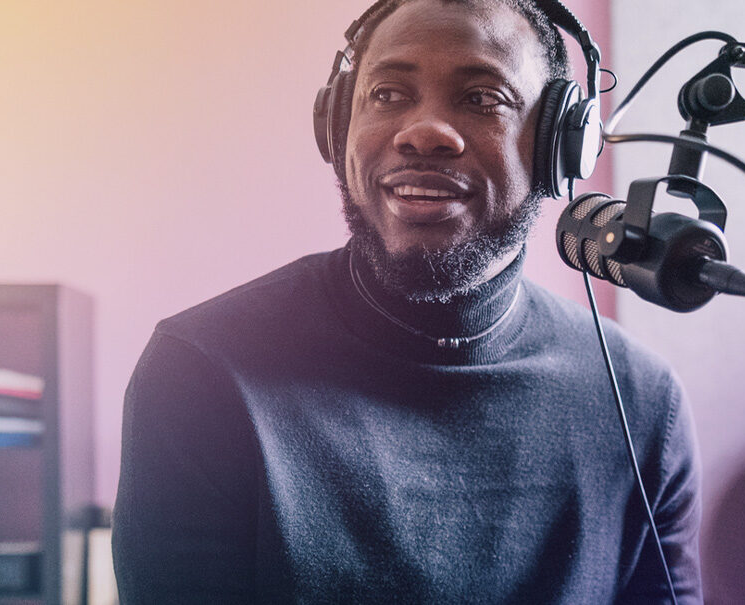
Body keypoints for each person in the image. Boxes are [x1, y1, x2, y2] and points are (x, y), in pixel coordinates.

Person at [111, 0, 702, 602]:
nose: (423, 132)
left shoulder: (640, 404)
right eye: (389, 94)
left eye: (482, 98)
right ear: (338, 125)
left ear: (559, 145)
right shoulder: (200, 371)